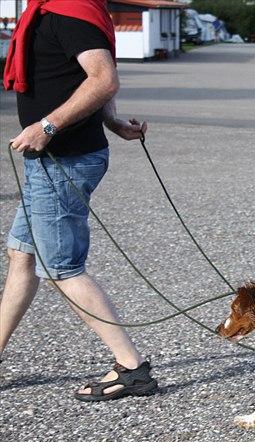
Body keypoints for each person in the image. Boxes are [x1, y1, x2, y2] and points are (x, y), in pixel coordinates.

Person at [0, 0, 157, 401]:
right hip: (53, 160)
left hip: (62, 161)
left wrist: (47, 126)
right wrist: (113, 121)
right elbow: (82, 75)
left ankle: (132, 369)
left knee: (64, 268)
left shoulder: (68, 11)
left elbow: (103, 79)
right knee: (23, 255)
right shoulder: (57, 10)